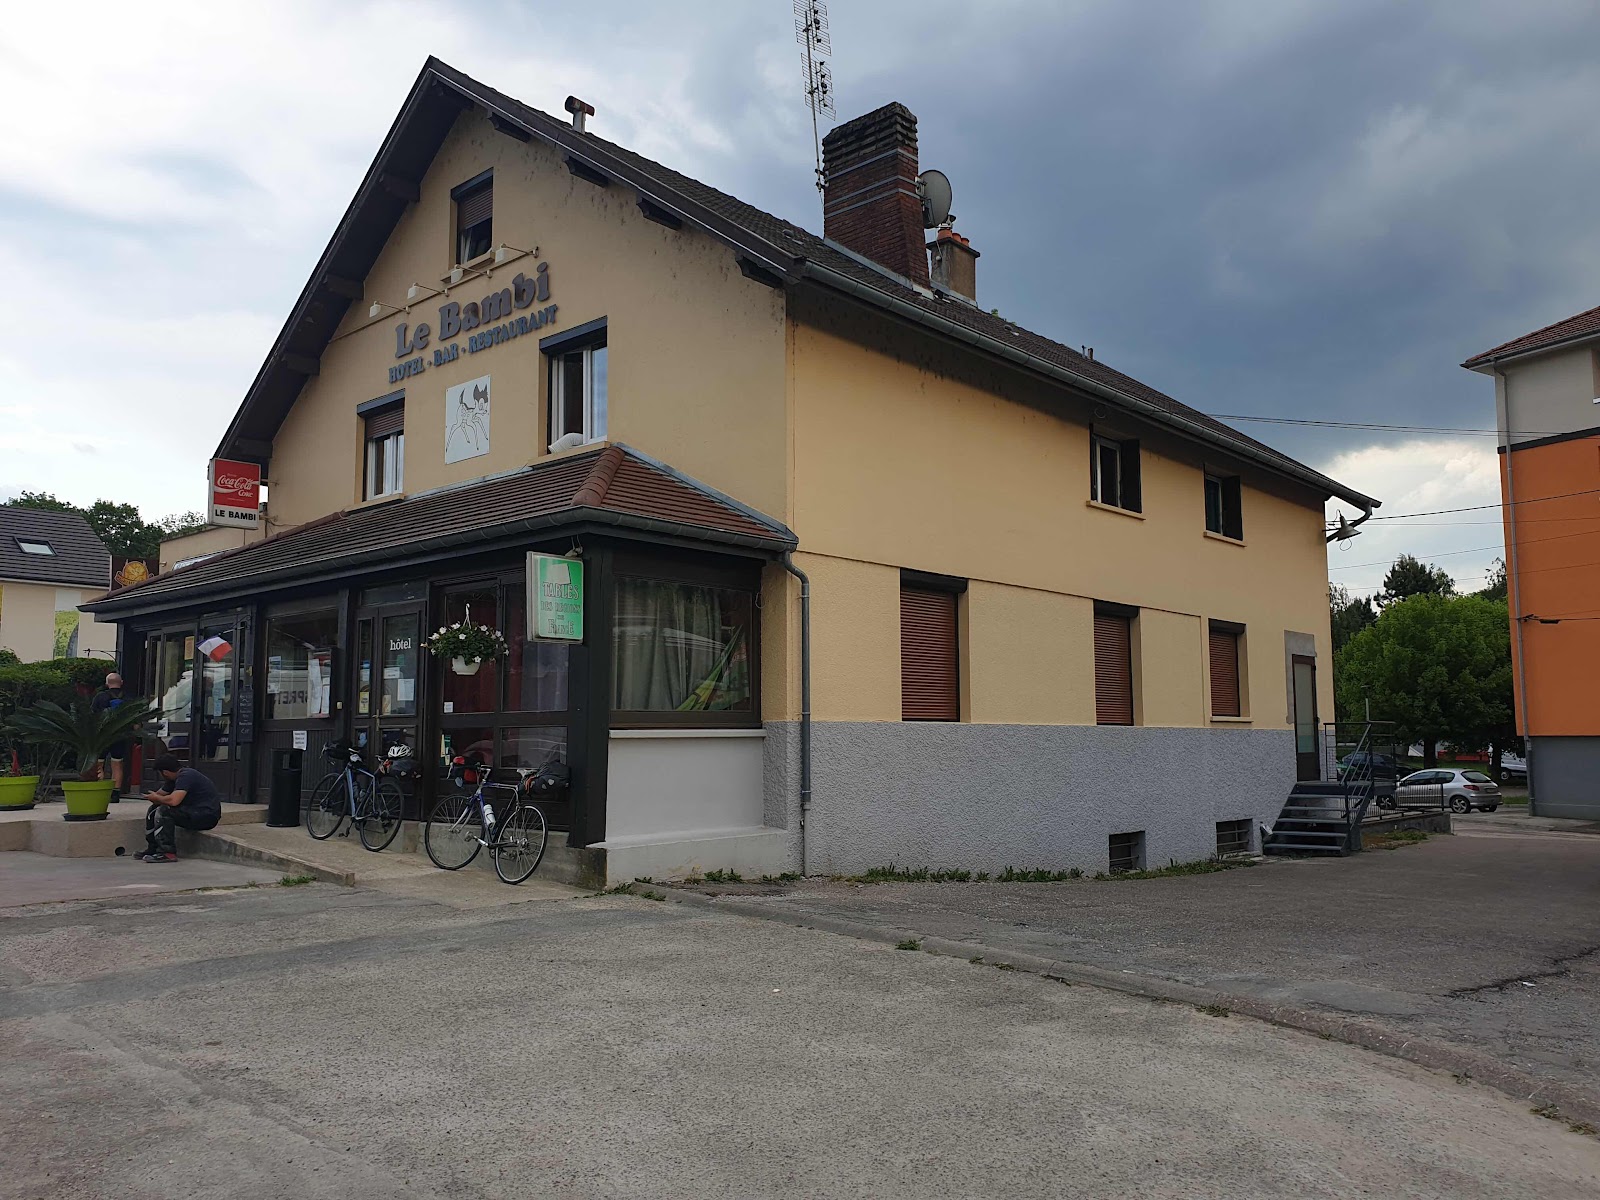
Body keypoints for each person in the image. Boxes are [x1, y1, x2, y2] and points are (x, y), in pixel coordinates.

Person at [136, 754, 221, 863]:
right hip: (192, 813)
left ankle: (167, 852)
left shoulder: (186, 775)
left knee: (164, 810)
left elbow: (173, 801)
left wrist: (157, 798)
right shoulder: (173, 779)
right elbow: (160, 795)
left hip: (206, 816)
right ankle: (153, 848)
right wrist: (154, 797)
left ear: (165, 772)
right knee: (154, 809)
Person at [91, 672, 130, 801]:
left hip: (103, 736)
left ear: (107, 683)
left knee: (99, 764)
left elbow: (92, 716)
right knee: (117, 764)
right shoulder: (128, 698)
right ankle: (115, 793)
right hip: (120, 735)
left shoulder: (100, 697)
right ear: (121, 682)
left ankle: (100, 790)